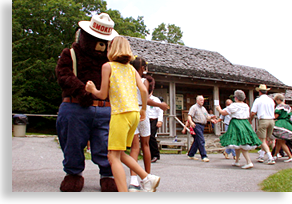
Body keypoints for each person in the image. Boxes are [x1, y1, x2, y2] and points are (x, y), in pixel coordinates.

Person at [85, 36, 160, 192]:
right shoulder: (132, 69)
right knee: (118, 153)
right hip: (134, 114)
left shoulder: (108, 66)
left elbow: (103, 94)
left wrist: (92, 90)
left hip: (120, 113)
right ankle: (147, 178)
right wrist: (144, 109)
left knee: (112, 157)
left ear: (112, 49)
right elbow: (144, 90)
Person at [55, 13, 119, 192]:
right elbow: (63, 75)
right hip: (75, 107)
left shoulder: (111, 61)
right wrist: (82, 90)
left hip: (105, 109)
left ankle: (108, 175)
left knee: (106, 145)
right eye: (96, 39)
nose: (101, 45)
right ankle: (73, 173)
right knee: (72, 143)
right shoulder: (71, 54)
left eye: (104, 41)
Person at [128, 58, 167, 192]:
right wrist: (160, 104)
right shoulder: (143, 81)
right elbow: (146, 98)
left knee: (134, 147)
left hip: (131, 112)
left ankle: (133, 181)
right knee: (145, 145)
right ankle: (147, 178)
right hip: (142, 112)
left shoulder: (127, 79)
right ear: (142, 67)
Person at [216, 90, 262, 169]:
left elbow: (224, 113)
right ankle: (237, 161)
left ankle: (249, 162)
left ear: (236, 98)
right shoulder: (246, 105)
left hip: (237, 123)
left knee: (242, 144)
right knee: (237, 143)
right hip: (245, 123)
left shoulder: (234, 105)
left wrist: (218, 109)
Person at [250, 84, 276, 165]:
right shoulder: (271, 100)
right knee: (267, 139)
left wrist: (250, 120)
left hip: (263, 120)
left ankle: (270, 157)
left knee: (262, 140)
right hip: (271, 120)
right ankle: (261, 156)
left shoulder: (258, 100)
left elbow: (253, 112)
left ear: (259, 92)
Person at [187, 95, 217, 162]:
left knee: (197, 141)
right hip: (196, 125)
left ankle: (191, 154)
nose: (202, 101)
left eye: (203, 100)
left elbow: (207, 117)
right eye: (201, 100)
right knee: (201, 140)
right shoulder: (194, 107)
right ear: (197, 101)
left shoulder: (203, 108)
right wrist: (191, 122)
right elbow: (189, 116)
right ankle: (204, 156)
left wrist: (212, 119)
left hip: (202, 125)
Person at [272, 94, 292, 163]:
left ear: (278, 100)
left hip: (280, 124)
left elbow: (276, 115)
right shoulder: (288, 107)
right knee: (279, 141)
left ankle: (290, 156)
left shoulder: (279, 107)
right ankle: (275, 155)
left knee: (282, 141)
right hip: (287, 124)